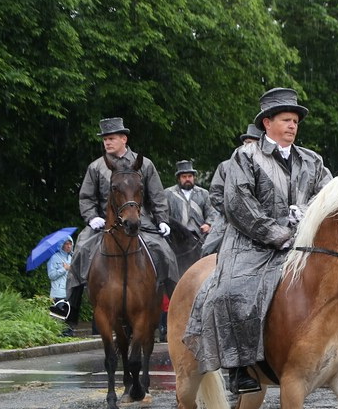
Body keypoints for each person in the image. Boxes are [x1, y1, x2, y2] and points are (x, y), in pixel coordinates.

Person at [184, 88, 332, 394]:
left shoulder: (312, 160)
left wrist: (303, 216)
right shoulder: (244, 157)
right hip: (252, 242)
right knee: (227, 291)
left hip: (303, 241)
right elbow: (238, 203)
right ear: (267, 123)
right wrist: (276, 233)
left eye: (295, 121)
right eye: (286, 120)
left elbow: (327, 197)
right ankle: (239, 367)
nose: (292, 126)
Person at [64, 117, 179, 329]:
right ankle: (69, 309)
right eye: (104, 139)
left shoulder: (145, 164)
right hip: (106, 225)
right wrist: (92, 217)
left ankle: (180, 307)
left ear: (123, 139)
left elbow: (157, 196)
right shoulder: (97, 167)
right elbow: (86, 197)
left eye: (111, 138)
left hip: (140, 223)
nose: (107, 143)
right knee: (80, 249)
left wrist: (162, 220)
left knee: (166, 253)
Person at [201, 123, 262, 256]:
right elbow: (215, 195)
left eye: (254, 143)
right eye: (247, 142)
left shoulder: (268, 170)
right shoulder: (225, 166)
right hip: (228, 220)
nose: (249, 146)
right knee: (207, 249)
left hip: (260, 222)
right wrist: (235, 211)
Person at [165, 160, 217, 241]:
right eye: (184, 177)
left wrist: (208, 224)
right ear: (179, 178)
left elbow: (212, 213)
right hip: (176, 238)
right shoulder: (168, 194)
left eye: (190, 176)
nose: (187, 179)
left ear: (194, 177)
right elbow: (164, 214)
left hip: (200, 237)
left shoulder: (203, 193)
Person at [47, 237, 74, 335]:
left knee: (70, 317)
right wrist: (64, 269)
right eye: (66, 244)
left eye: (70, 244)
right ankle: (58, 335)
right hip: (58, 293)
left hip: (70, 292)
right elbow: (51, 275)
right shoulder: (54, 258)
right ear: (61, 245)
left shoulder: (72, 258)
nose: (68, 246)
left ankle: (69, 334)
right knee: (59, 317)